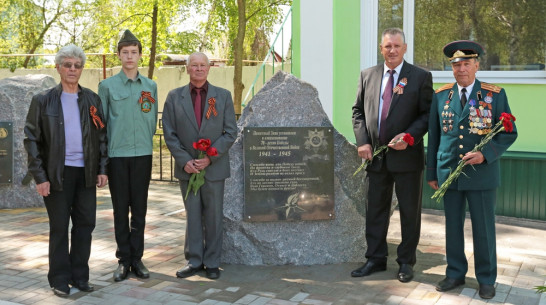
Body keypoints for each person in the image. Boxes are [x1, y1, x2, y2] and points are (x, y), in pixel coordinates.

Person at [426, 40, 517, 299]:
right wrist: (432, 171)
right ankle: (455, 273)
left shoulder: (494, 95)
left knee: (483, 228)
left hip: (481, 174)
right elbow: (434, 136)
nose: (461, 69)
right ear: (451, 68)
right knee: (452, 226)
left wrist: (485, 154)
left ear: (477, 65)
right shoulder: (441, 95)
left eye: (466, 63)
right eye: (456, 65)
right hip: (449, 173)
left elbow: (509, 133)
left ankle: (486, 278)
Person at [24, 44, 108, 297]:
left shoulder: (92, 99)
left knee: (85, 225)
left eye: (77, 65)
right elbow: (31, 140)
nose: (73, 69)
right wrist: (40, 177)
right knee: (59, 227)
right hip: (56, 175)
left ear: (81, 69)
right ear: (58, 67)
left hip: (85, 174)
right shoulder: (43, 100)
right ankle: (59, 279)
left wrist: (102, 168)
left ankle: (80, 276)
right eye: (68, 65)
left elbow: (102, 136)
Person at [351, 28, 433, 283]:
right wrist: (363, 142)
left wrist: (409, 137)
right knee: (375, 210)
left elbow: (427, 115)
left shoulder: (420, 77)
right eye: (388, 46)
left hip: (407, 158)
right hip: (375, 157)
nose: (392, 50)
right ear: (381, 48)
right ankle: (375, 259)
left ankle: (406, 262)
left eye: (397, 46)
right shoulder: (368, 75)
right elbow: (358, 112)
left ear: (405, 48)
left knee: (409, 212)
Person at [162, 52, 237, 280]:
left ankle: (212, 262)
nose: (198, 69)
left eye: (202, 65)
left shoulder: (222, 96)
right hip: (188, 169)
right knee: (192, 215)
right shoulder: (174, 97)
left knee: (214, 216)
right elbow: (169, 133)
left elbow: (230, 131)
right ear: (187, 69)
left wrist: (210, 156)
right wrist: (185, 160)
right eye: (194, 65)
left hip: (213, 169)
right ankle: (194, 260)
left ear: (209, 68)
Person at [98, 30, 158, 282]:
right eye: (125, 52)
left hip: (143, 154)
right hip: (118, 156)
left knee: (140, 209)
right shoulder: (107, 86)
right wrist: (103, 163)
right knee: (121, 210)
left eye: (134, 52)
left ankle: (137, 258)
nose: (130, 56)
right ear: (119, 55)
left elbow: (152, 121)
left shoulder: (150, 86)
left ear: (140, 55)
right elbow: (101, 126)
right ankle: (123, 259)